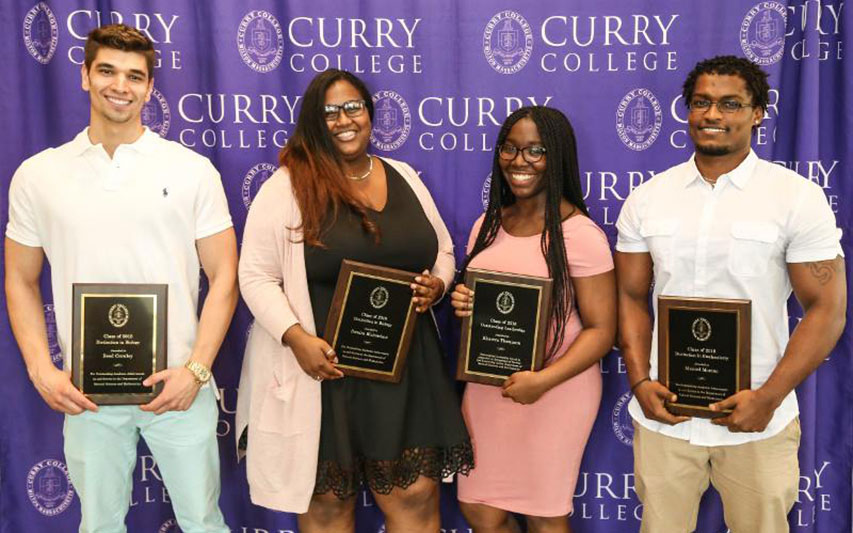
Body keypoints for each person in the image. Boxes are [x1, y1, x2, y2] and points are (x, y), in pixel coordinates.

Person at [5, 25, 237, 533]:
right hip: (88, 395)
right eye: (107, 70)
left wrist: (195, 373)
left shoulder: (192, 170)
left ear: (151, 87)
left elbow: (225, 278)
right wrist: (42, 369)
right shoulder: (39, 175)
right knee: (98, 526)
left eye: (135, 76)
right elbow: (20, 280)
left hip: (179, 387)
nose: (121, 85)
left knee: (203, 521)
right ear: (84, 75)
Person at [235, 69, 473, 532]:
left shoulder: (403, 175)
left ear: (369, 113)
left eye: (353, 107)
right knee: (325, 504)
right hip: (323, 371)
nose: (343, 119)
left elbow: (442, 250)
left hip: (405, 368)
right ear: (312, 121)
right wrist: (295, 337)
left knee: (416, 496)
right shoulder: (287, 188)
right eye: (329, 111)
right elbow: (256, 275)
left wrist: (438, 286)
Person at [616, 55, 846, 533]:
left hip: (759, 418)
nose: (712, 115)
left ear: (758, 112)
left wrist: (768, 397)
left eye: (730, 104)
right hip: (666, 417)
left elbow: (828, 310)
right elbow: (632, 298)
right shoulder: (648, 198)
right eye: (701, 102)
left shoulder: (796, 198)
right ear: (687, 109)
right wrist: (640, 382)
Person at [451, 106, 617, 533]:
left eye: (535, 151)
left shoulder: (580, 235)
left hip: (555, 392)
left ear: (557, 156)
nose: (519, 161)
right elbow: (483, 306)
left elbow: (601, 330)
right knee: (481, 510)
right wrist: (467, 303)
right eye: (510, 148)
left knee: (545, 514)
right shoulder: (486, 225)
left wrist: (542, 381)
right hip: (489, 389)